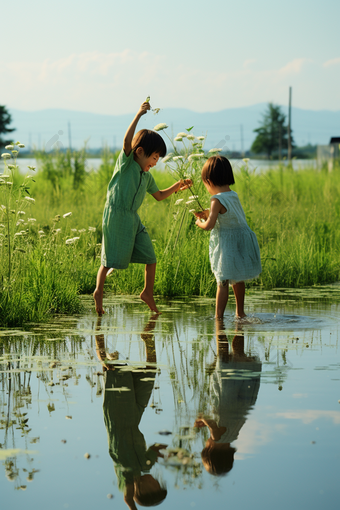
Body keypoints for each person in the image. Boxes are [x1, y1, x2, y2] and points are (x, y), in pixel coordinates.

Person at [94, 101, 192, 315]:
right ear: (139, 152)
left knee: (150, 257)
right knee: (109, 260)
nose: (156, 162)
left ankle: (147, 292)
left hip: (133, 220)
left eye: (158, 159)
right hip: (115, 216)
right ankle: (98, 291)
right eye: (154, 157)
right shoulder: (127, 163)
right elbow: (127, 140)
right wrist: (139, 114)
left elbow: (159, 196)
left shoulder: (147, 177)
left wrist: (178, 185)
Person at [95, 314, 168, 509]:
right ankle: (148, 338)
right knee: (150, 373)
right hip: (135, 415)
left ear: (143, 490)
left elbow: (128, 499)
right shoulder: (145, 465)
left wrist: (132, 507)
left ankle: (98, 333)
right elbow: (154, 449)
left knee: (114, 370)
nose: (157, 481)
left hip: (117, 416)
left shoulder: (126, 476)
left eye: (156, 485)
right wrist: (160, 449)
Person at [195, 156, 261, 318]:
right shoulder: (233, 195)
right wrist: (210, 213)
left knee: (222, 280)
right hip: (241, 241)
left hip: (227, 246)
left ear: (208, 181)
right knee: (238, 279)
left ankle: (219, 318)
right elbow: (227, 215)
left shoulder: (215, 199)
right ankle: (240, 312)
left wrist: (199, 222)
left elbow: (209, 225)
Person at [194, 319, 261, 476]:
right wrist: (202, 419)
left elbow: (222, 424)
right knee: (222, 350)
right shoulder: (217, 438)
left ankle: (240, 324)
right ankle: (220, 322)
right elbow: (215, 430)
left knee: (238, 352)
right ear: (209, 450)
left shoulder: (233, 434)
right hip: (229, 383)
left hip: (246, 381)